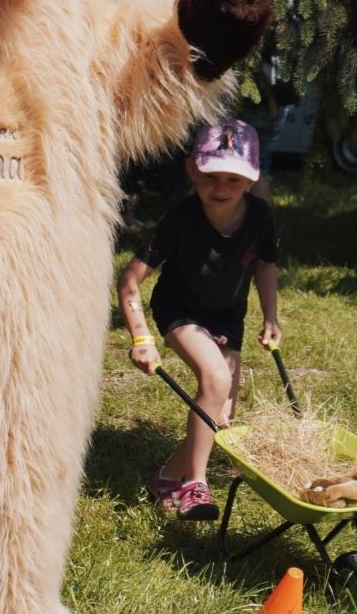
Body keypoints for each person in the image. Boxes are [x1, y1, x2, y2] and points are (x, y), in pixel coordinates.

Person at [118, 119, 281, 519]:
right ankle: (195, 484)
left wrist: (271, 316)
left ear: (251, 179)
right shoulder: (181, 219)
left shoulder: (260, 217)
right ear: (192, 170)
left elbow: (265, 265)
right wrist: (142, 339)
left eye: (233, 179)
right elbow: (129, 281)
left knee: (221, 416)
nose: (220, 187)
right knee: (216, 379)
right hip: (181, 312)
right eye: (211, 176)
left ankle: (167, 477)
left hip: (229, 317)